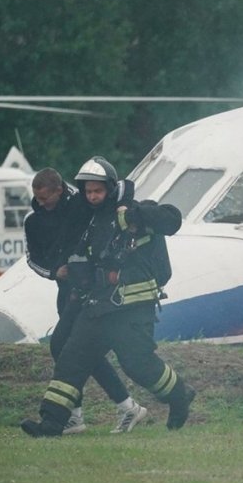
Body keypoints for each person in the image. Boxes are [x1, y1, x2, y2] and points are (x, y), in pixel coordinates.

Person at [21, 156, 195, 437]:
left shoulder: (134, 212)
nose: (92, 197)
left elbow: (172, 219)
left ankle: (179, 395)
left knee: (138, 365)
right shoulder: (90, 222)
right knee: (71, 358)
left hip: (132, 308)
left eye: (98, 191)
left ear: (110, 189)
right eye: (88, 191)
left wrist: (136, 214)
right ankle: (52, 423)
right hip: (97, 306)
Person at [25, 167, 147, 434]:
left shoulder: (81, 200)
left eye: (45, 198)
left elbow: (123, 185)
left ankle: (90, 413)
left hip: (89, 289)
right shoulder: (33, 221)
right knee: (70, 350)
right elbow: (32, 258)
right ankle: (110, 409)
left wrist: (123, 206)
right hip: (66, 289)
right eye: (37, 198)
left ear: (59, 190)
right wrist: (53, 272)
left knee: (69, 347)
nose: (41, 203)